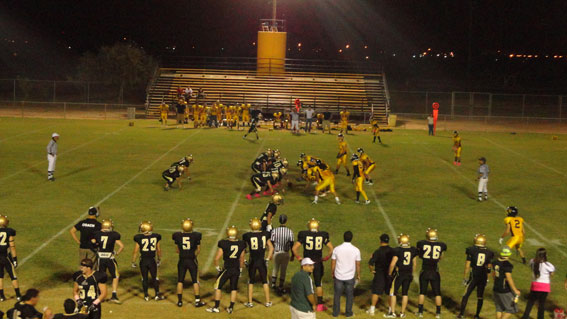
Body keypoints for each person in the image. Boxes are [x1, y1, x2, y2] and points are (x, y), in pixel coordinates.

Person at [293, 218, 334, 312]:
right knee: (318, 284)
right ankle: (319, 305)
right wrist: (327, 257)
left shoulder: (304, 234)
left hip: (307, 262)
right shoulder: (323, 235)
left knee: (303, 282)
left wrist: (299, 258)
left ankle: (301, 302)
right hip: (318, 262)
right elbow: (331, 248)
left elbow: (295, 248)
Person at [207, 226, 246, 314]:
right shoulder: (241, 243)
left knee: (217, 286)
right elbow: (242, 258)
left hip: (227, 269)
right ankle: (231, 307)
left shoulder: (223, 243)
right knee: (233, 288)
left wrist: (217, 268)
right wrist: (240, 269)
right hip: (236, 269)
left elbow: (216, 258)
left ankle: (216, 307)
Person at [457, 234, 494, 319]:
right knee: (480, 296)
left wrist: (465, 277)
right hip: (483, 276)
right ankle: (477, 315)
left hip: (474, 276)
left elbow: (467, 266)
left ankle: (461, 314)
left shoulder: (471, 250)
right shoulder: (489, 252)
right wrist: (487, 278)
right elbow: (489, 267)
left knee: (466, 295)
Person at [172, 218, 205, 308]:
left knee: (180, 280)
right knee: (195, 280)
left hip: (182, 260)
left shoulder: (177, 235)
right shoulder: (196, 235)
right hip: (191, 260)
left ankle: (179, 301)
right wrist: (193, 256)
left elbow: (177, 250)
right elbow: (198, 249)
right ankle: (197, 301)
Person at [416, 228, 447, 319]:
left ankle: (420, 312)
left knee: (422, 292)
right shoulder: (441, 245)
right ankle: (438, 313)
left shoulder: (421, 243)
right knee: (437, 293)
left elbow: (420, 255)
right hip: (435, 272)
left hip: (425, 271)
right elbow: (441, 257)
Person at [243, 218, 274, 308]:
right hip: (261, 261)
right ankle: (268, 302)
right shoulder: (265, 234)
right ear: (259, 225)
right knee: (265, 281)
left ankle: (250, 302)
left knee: (251, 282)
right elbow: (271, 248)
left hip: (252, 260)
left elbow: (243, 249)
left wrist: (244, 260)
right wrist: (267, 259)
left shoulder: (247, 236)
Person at [91, 219, 123, 304]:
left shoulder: (97, 234)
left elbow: (93, 242)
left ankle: (99, 294)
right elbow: (121, 246)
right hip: (109, 258)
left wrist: (96, 245)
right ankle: (114, 295)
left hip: (100, 258)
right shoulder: (114, 235)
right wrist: (117, 253)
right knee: (115, 276)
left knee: (100, 276)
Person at [386, 234, 418, 318]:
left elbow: (392, 264)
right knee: (405, 293)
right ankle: (402, 313)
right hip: (408, 274)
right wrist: (412, 273)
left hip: (399, 274)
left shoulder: (398, 250)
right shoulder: (413, 250)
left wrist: (389, 273)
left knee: (393, 293)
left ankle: (392, 313)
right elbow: (414, 264)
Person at [331, 231, 361, 318]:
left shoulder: (337, 249)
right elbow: (358, 264)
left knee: (337, 295)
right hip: (350, 277)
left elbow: (333, 262)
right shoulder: (356, 250)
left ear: (343, 237)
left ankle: (335, 313)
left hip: (338, 275)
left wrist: (332, 272)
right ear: (351, 238)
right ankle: (348, 313)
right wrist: (358, 275)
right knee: (349, 296)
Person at [131, 221, 164, 301]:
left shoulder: (139, 237)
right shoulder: (156, 236)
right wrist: (159, 259)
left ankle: (146, 296)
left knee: (144, 278)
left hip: (143, 260)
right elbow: (158, 249)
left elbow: (135, 251)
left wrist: (133, 261)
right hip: (152, 260)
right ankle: (157, 295)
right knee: (155, 277)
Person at [521, 248, 555, 319]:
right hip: (544, 286)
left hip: (535, 285)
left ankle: (525, 316)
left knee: (530, 302)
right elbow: (552, 274)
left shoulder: (532, 262)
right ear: (545, 255)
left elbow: (532, 265)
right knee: (541, 304)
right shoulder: (548, 265)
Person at [366, 234, 394, 316]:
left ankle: (372, 309)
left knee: (376, 292)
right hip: (390, 274)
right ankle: (390, 309)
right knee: (389, 292)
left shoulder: (377, 251)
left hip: (379, 274)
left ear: (380, 241)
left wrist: (372, 270)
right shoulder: (393, 251)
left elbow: (370, 263)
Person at [492, 246, 521, 319]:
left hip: (496, 288)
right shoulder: (507, 264)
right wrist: (515, 290)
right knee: (511, 309)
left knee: (499, 309)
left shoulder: (495, 262)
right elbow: (509, 278)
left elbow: (494, 275)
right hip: (504, 290)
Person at [270, 214, 295, 295]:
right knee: (283, 270)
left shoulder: (274, 230)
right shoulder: (289, 231)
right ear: (286, 221)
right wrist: (293, 255)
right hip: (285, 253)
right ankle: (280, 286)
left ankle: (273, 284)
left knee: (275, 268)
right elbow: (291, 244)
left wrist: (271, 252)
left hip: (276, 252)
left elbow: (272, 242)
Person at [0, 215, 20, 302]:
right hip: (5, 256)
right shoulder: (9, 231)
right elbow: (12, 246)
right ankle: (18, 295)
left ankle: (1, 296)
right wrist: (15, 259)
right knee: (13, 276)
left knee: (0, 276)